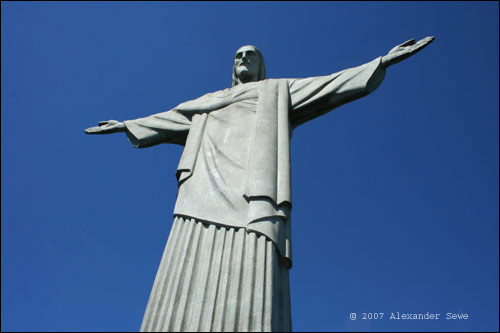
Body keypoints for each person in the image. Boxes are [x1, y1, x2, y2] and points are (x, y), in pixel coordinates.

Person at [85, 37, 434, 332]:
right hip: (201, 190)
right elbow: (167, 119)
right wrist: (123, 125)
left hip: (254, 192)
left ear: (261, 65)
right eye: (237, 55)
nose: (242, 59)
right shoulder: (206, 101)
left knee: (252, 265)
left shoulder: (277, 91)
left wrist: (383, 61)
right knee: (185, 259)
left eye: (250, 54)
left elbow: (330, 85)